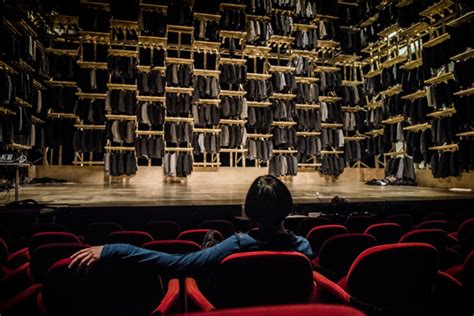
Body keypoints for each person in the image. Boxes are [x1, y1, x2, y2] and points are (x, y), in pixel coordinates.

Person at [69, 175, 313, 273]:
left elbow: (175, 264)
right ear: (287, 208)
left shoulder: (238, 244)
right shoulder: (303, 247)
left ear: (249, 212)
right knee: (211, 240)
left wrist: (113, 248)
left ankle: (208, 245)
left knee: (209, 245)